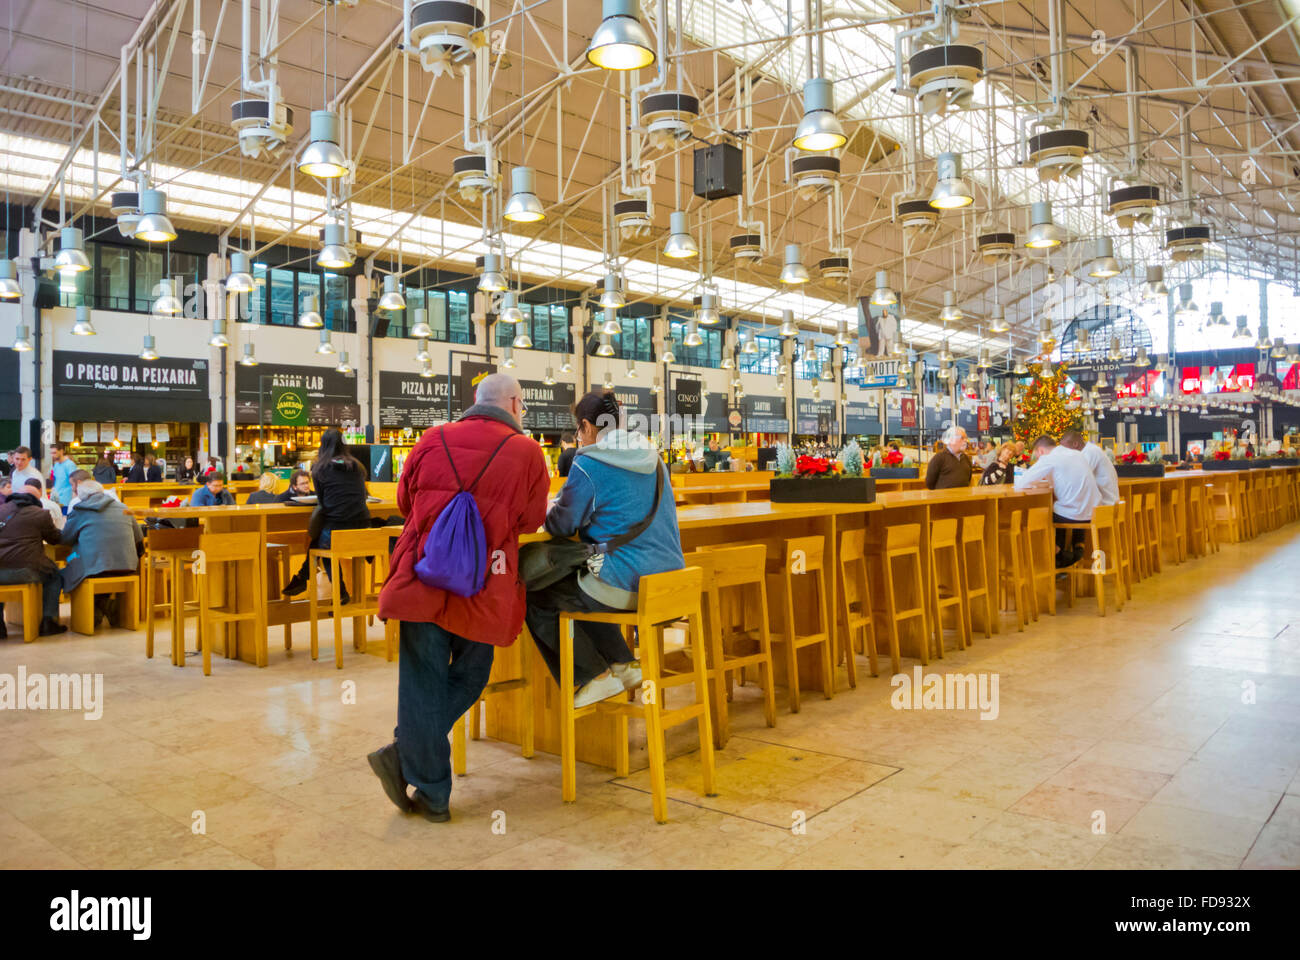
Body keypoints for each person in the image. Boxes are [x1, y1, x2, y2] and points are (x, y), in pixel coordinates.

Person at [372, 373, 549, 823]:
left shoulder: (432, 439)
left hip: (422, 574)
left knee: (421, 680)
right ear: (514, 403)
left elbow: (405, 502)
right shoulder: (528, 452)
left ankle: (429, 788)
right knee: (472, 674)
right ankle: (411, 762)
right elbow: (530, 521)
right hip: (485, 581)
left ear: (475, 400)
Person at [525, 390, 683, 710]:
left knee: (537, 594)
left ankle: (592, 676)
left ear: (586, 426)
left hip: (628, 584)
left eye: (579, 430)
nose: (579, 437)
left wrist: (546, 508)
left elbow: (562, 526)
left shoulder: (590, 462)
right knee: (581, 586)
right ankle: (623, 663)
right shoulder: (652, 457)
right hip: (671, 582)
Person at [280, 428, 372, 603]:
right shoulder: (357, 466)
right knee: (322, 539)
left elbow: (323, 503)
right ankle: (303, 578)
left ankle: (337, 590)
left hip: (337, 529)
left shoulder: (319, 468)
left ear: (323, 445)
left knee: (322, 544)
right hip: (364, 528)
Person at [60, 478, 144, 628]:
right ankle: (104, 606)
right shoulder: (123, 507)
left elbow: (65, 539)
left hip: (93, 567)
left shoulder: (79, 511)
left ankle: (93, 610)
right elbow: (139, 538)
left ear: (81, 496)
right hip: (127, 565)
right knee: (97, 563)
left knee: (70, 561)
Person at [1014, 435, 1103, 567]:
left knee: (1042, 516)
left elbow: (1021, 483)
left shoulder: (1049, 458)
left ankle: (1054, 559)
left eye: (1037, 457)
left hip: (1075, 515)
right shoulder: (1076, 454)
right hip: (1095, 513)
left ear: (1040, 451)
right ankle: (1070, 553)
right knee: (1059, 508)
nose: (1038, 459)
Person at [0, 477, 67, 637]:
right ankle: (48, 621)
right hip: (27, 570)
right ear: (37, 499)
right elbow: (55, 539)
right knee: (55, 575)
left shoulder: (1, 510)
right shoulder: (40, 514)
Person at [1060, 430, 1119, 506]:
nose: (1063, 452)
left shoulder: (1090, 452)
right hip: (1103, 503)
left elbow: (1078, 478)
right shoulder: (1087, 451)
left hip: (1105, 505)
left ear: (1075, 444)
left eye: (1065, 449)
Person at [48, 443, 77, 508]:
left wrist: (74, 498)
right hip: (57, 500)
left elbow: (74, 481)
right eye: (51, 453)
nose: (52, 455)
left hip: (67, 500)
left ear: (61, 451)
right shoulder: (56, 465)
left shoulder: (70, 464)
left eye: (54, 453)